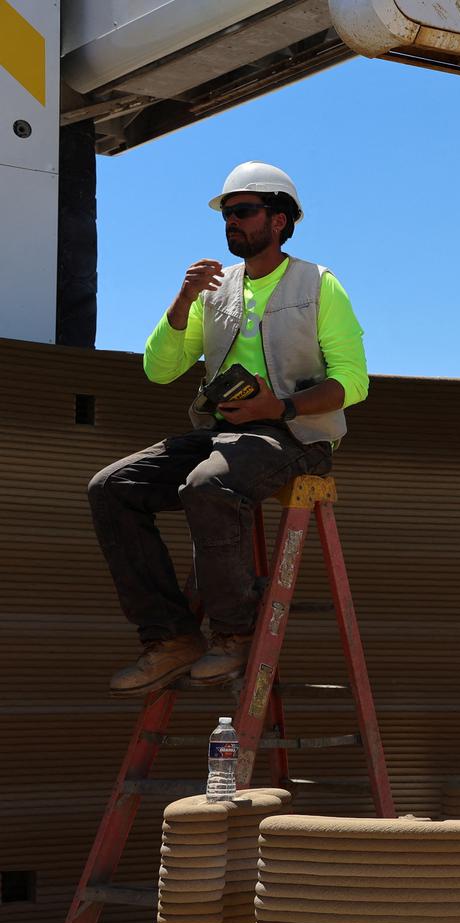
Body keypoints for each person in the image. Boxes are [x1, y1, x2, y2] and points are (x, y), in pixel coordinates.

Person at [88, 161, 369, 696]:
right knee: (111, 488)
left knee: (207, 485)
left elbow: (353, 381)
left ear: (280, 220)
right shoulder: (215, 290)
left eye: (242, 212)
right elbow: (160, 369)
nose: (231, 223)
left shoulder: (318, 284)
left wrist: (281, 407)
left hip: (296, 437)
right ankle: (171, 639)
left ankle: (235, 635)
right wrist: (183, 300)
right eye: (226, 215)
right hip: (223, 434)